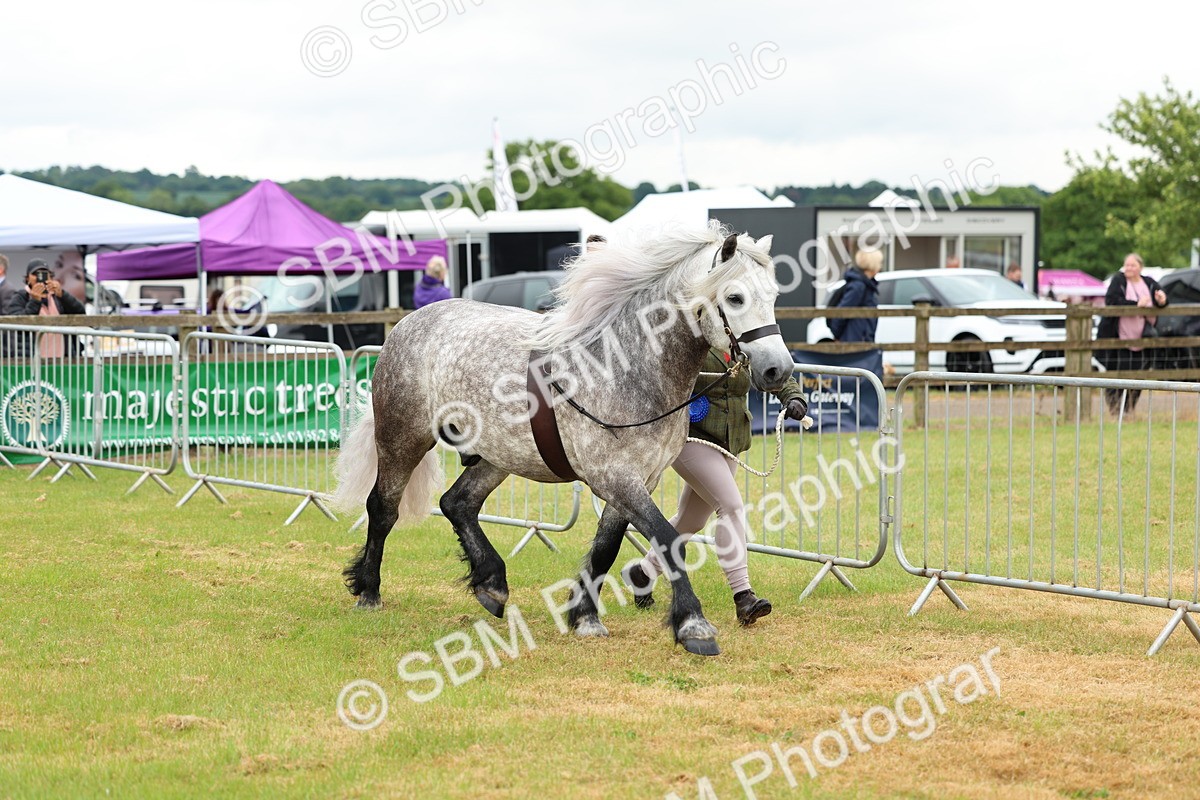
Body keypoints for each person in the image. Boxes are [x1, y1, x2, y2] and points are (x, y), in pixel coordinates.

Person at [622, 348, 808, 626]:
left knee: (690, 520)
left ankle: (644, 572)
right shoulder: (694, 333)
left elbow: (772, 368)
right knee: (731, 507)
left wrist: (793, 396)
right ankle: (744, 596)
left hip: (730, 440)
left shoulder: (745, 337)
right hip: (689, 438)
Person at [1097, 253, 1168, 416]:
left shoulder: (1148, 283)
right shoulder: (1118, 281)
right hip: (1119, 337)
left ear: (1140, 268)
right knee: (1115, 375)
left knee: (1138, 376)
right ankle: (1115, 410)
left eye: (1132, 265)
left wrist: (1161, 300)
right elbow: (1112, 301)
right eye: (1127, 265)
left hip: (1142, 338)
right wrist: (1135, 305)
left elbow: (1161, 298)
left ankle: (1129, 409)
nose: (1129, 268)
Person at [2, 258, 86, 358]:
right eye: (35, 274)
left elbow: (80, 312)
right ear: (27, 278)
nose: (39, 278)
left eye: (44, 274)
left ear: (51, 277)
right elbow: (16, 325)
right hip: (32, 359)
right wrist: (35, 301)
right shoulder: (20, 297)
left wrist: (63, 295)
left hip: (62, 358)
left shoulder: (58, 297)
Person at [829, 248, 881, 343]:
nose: (880, 266)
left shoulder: (865, 285)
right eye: (879, 262)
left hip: (860, 338)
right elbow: (842, 312)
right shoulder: (859, 286)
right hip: (856, 340)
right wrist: (838, 335)